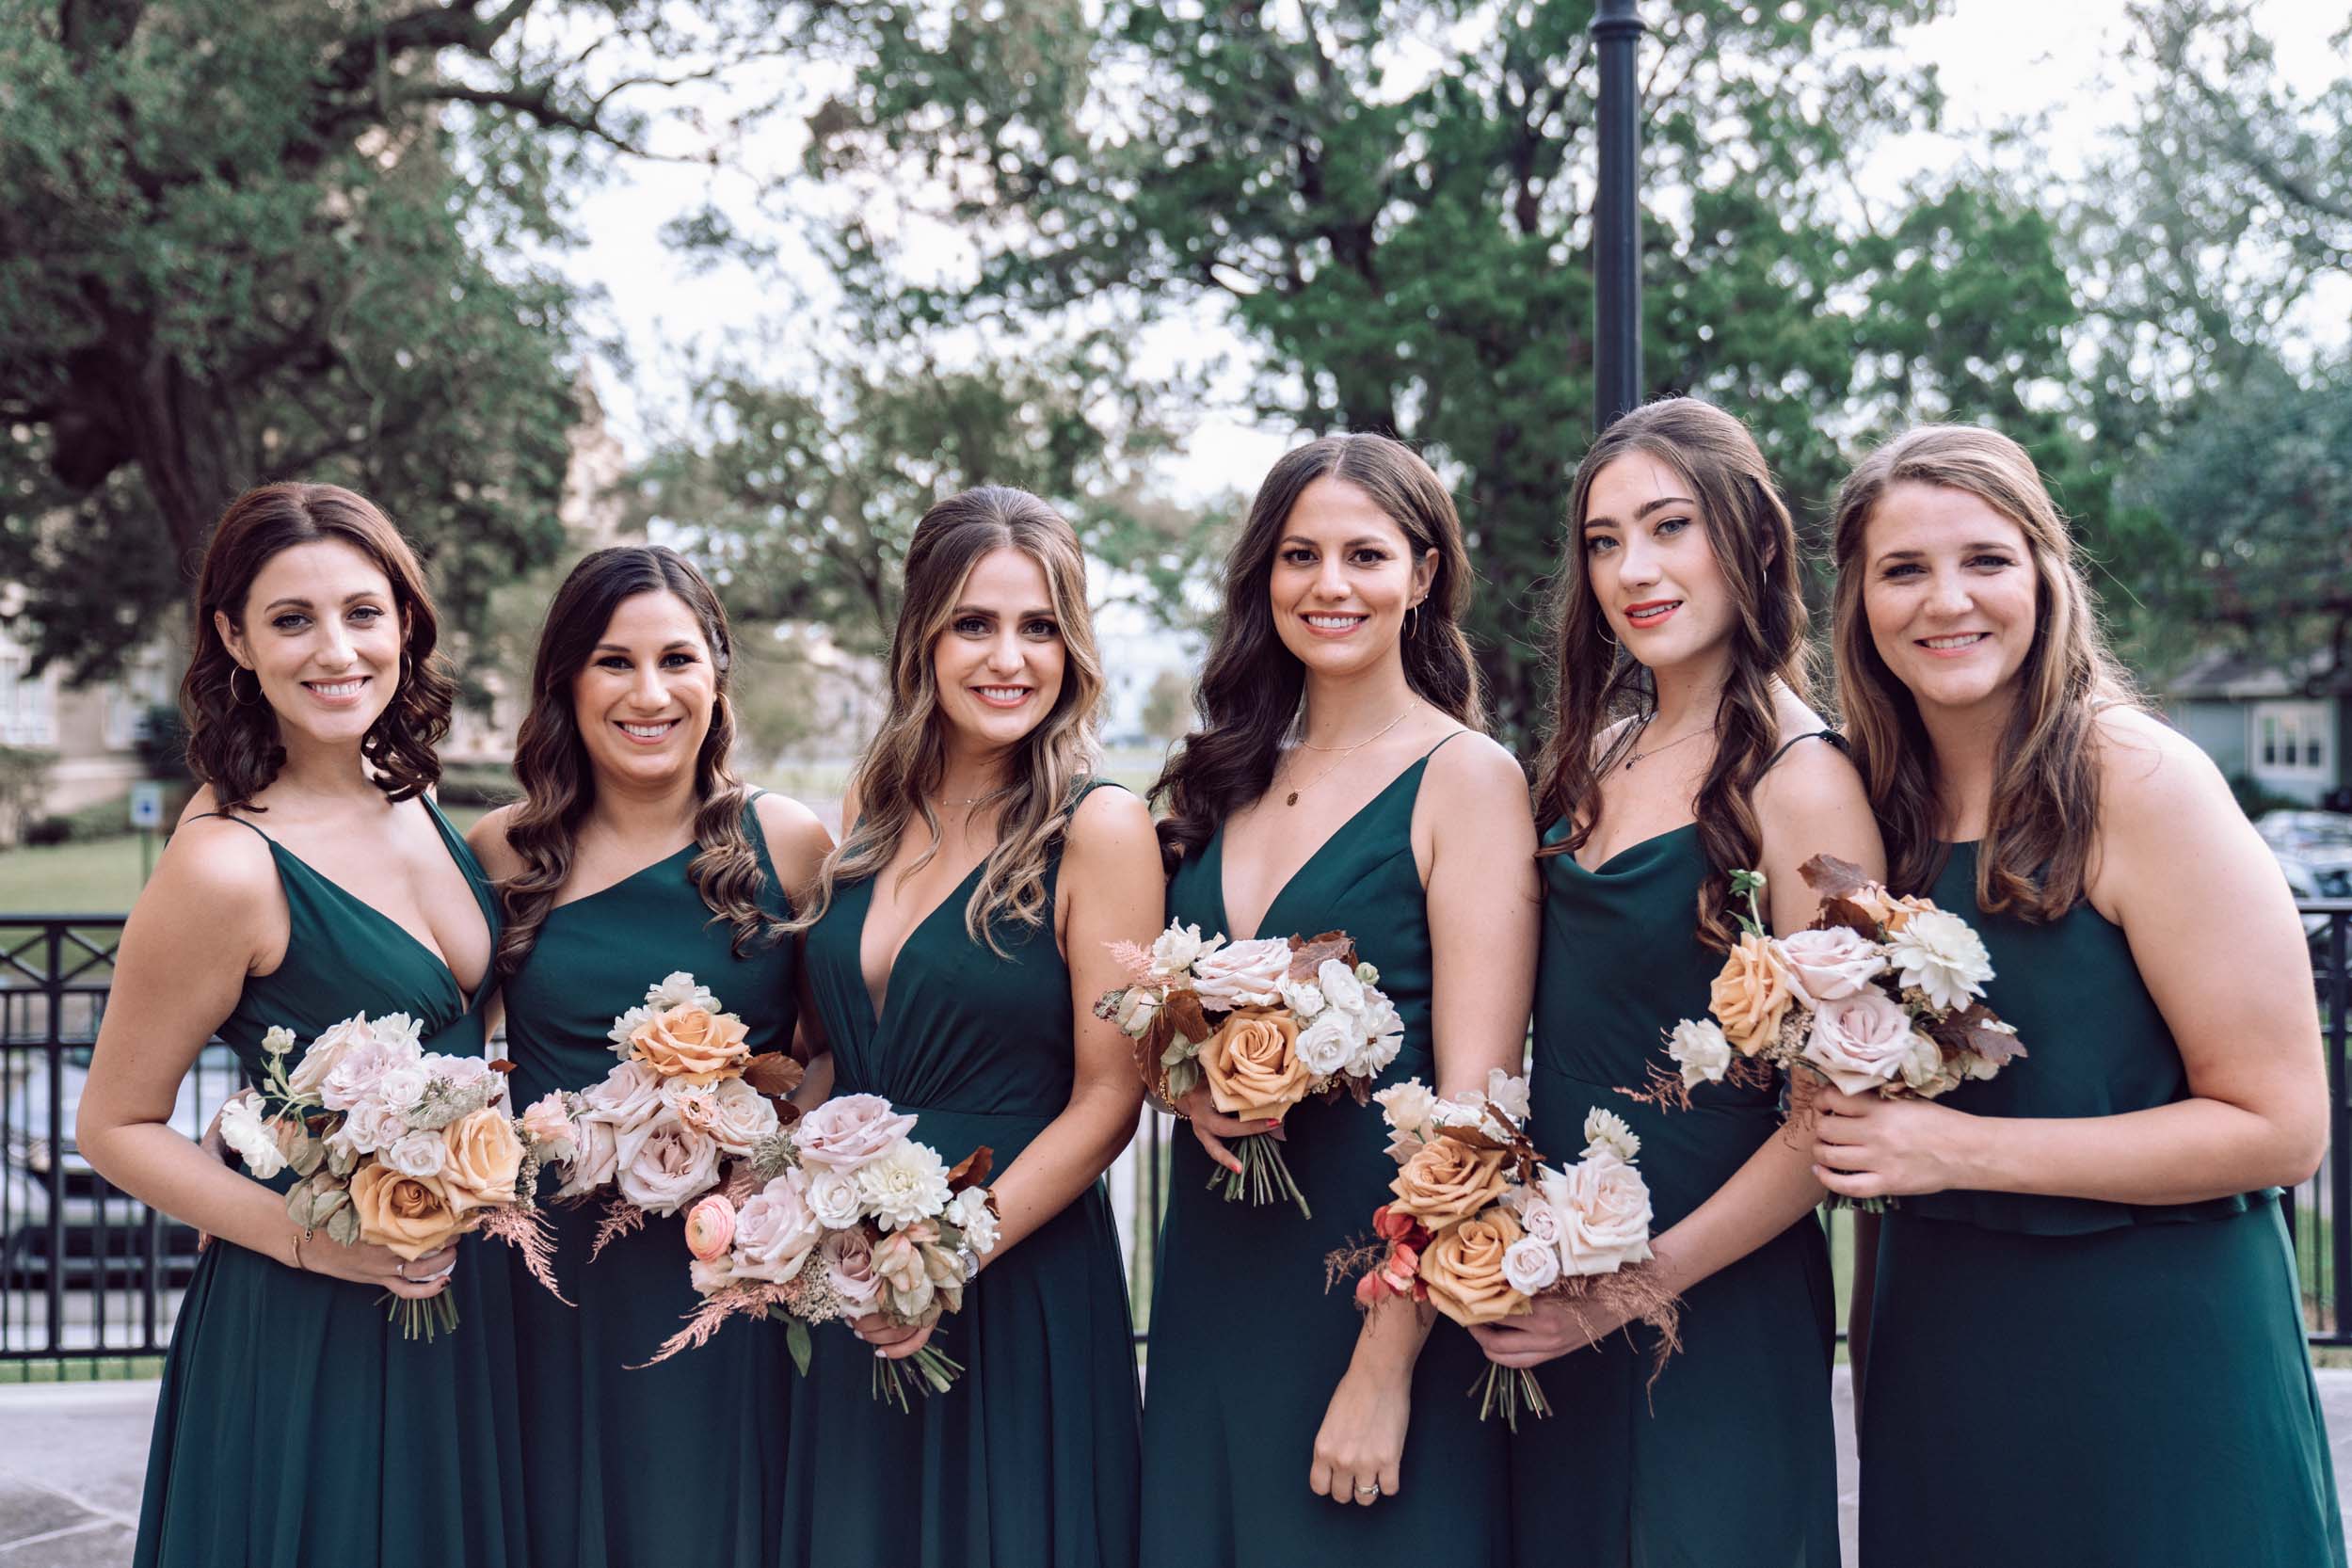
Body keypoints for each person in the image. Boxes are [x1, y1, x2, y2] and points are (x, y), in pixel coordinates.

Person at [1816, 424, 2344, 1567]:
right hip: (1939, 1351)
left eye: (1986, 560)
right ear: (1858, 601)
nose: (1947, 600)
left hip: (2153, 1362)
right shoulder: (1866, 808)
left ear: (2048, 576)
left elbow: (2281, 1125)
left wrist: (1954, 1150)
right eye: (1903, 570)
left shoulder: (2140, 780)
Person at [78, 482, 527, 1568]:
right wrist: (322, 1245)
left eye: (363, 612)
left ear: (406, 623)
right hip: (311, 1315)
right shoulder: (227, 862)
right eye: (292, 619)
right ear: (234, 636)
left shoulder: (408, 792)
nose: (337, 650)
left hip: (463, 1296)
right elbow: (115, 1125)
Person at [1470, 397, 1871, 1566]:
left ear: (1749, 538)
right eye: (1603, 541)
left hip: (1714, 1293)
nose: (1631, 570)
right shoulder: (1593, 756)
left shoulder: (1807, 782)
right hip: (1548, 1282)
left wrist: (1627, 1290)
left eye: (1668, 528)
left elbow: (1836, 1113)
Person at [1141, 434, 1539, 1567]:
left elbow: (1480, 1103)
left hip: (1369, 1283)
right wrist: (1185, 1086)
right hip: (1219, 1279)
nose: (1329, 584)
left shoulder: (1467, 777)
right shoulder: (1226, 774)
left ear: (1422, 576)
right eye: (1298, 554)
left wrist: (1385, 1362)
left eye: (1365, 554)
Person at [777, 486, 1155, 1568]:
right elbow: (839, 1054)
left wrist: (950, 1254)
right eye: (974, 624)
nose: (1009, 658)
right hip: (853, 1270)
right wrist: (775, 1195)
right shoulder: (870, 810)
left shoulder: (1099, 827)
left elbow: (1109, 1097)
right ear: (923, 638)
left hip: (1010, 1271)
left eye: (1040, 626)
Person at [467, 544, 831, 1567]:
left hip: (725, 1278)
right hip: (545, 1282)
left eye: (677, 659)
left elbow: (834, 1057)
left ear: (716, 677)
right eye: (613, 662)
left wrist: (754, 1145)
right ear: (566, 684)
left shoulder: (787, 842)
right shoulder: (503, 855)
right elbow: (457, 1059)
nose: (649, 691)